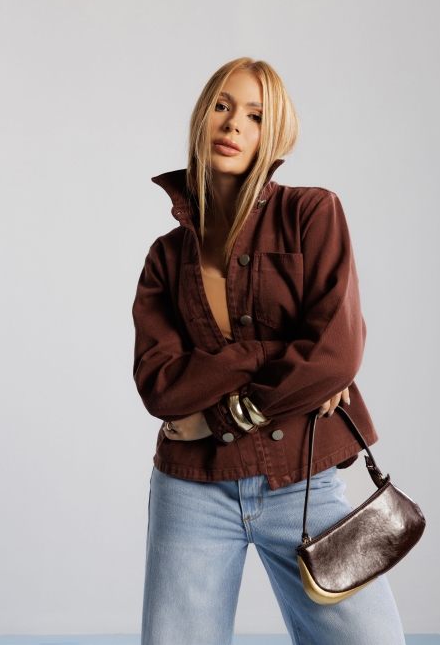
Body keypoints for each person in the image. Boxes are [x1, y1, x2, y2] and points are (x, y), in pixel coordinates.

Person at [132, 57, 405, 644]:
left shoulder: (312, 213)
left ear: (273, 134)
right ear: (203, 118)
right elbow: (161, 388)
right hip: (191, 490)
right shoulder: (165, 257)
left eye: (255, 116)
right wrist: (269, 354)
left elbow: (336, 354)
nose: (234, 124)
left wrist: (221, 416)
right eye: (222, 107)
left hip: (304, 482)